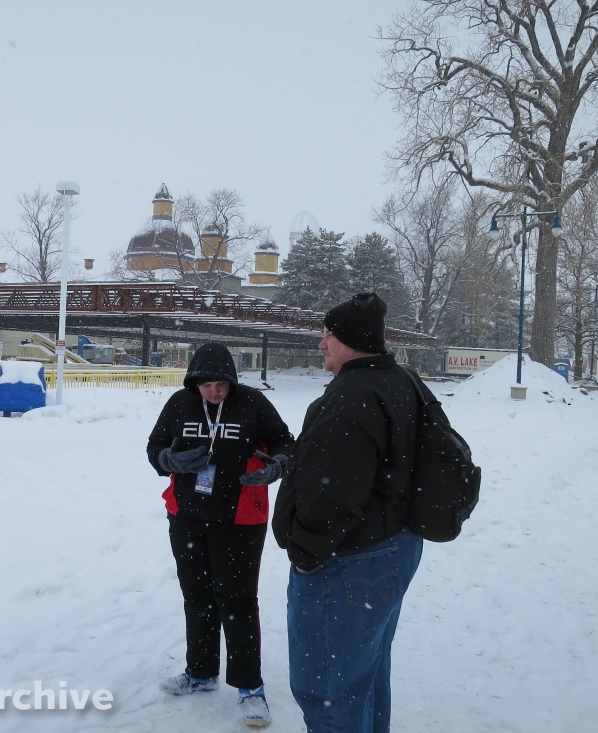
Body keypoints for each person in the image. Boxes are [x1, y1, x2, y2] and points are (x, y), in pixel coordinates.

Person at [272, 293, 422, 733]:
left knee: (329, 687)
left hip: (349, 561)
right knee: (364, 674)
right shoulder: (402, 381)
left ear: (351, 340)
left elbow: (331, 496)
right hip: (395, 546)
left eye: (328, 335)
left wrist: (305, 555)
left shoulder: (350, 398)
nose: (322, 344)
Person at [148, 342, 294, 727]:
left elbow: (284, 442)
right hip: (187, 516)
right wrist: (167, 459)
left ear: (232, 381)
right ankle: (200, 673)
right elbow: (155, 445)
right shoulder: (180, 404)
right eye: (206, 385)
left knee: (238, 600)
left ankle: (250, 687)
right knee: (196, 596)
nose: (214, 392)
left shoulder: (253, 404)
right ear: (194, 382)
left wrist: (278, 464)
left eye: (221, 385)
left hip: (240, 517)